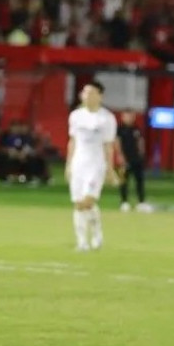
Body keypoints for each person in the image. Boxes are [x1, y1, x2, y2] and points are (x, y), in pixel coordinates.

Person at [65, 81, 118, 251]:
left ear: (100, 96)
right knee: (79, 203)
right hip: (78, 164)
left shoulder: (107, 118)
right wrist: (68, 165)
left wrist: (110, 169)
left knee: (87, 201)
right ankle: (83, 241)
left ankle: (94, 234)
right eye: (85, 92)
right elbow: (72, 141)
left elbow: (108, 146)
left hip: (96, 165)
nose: (87, 95)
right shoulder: (75, 116)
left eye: (91, 92)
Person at [116, 110, 149, 212]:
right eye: (127, 116)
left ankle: (141, 202)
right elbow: (117, 142)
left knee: (139, 181)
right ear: (123, 117)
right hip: (125, 159)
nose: (129, 118)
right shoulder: (120, 129)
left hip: (137, 159)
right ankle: (124, 202)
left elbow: (140, 141)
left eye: (131, 116)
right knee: (123, 181)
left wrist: (141, 153)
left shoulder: (136, 129)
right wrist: (120, 156)